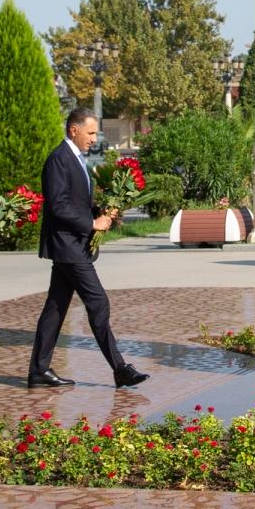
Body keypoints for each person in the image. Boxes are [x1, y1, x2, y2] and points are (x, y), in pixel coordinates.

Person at [26, 107, 148, 390]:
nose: (94, 138)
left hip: (73, 246)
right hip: (68, 247)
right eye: (91, 132)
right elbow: (58, 206)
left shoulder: (77, 159)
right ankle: (119, 369)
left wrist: (102, 211)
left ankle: (38, 371)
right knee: (98, 303)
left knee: (55, 308)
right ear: (74, 130)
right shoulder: (59, 159)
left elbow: (75, 202)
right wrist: (92, 223)